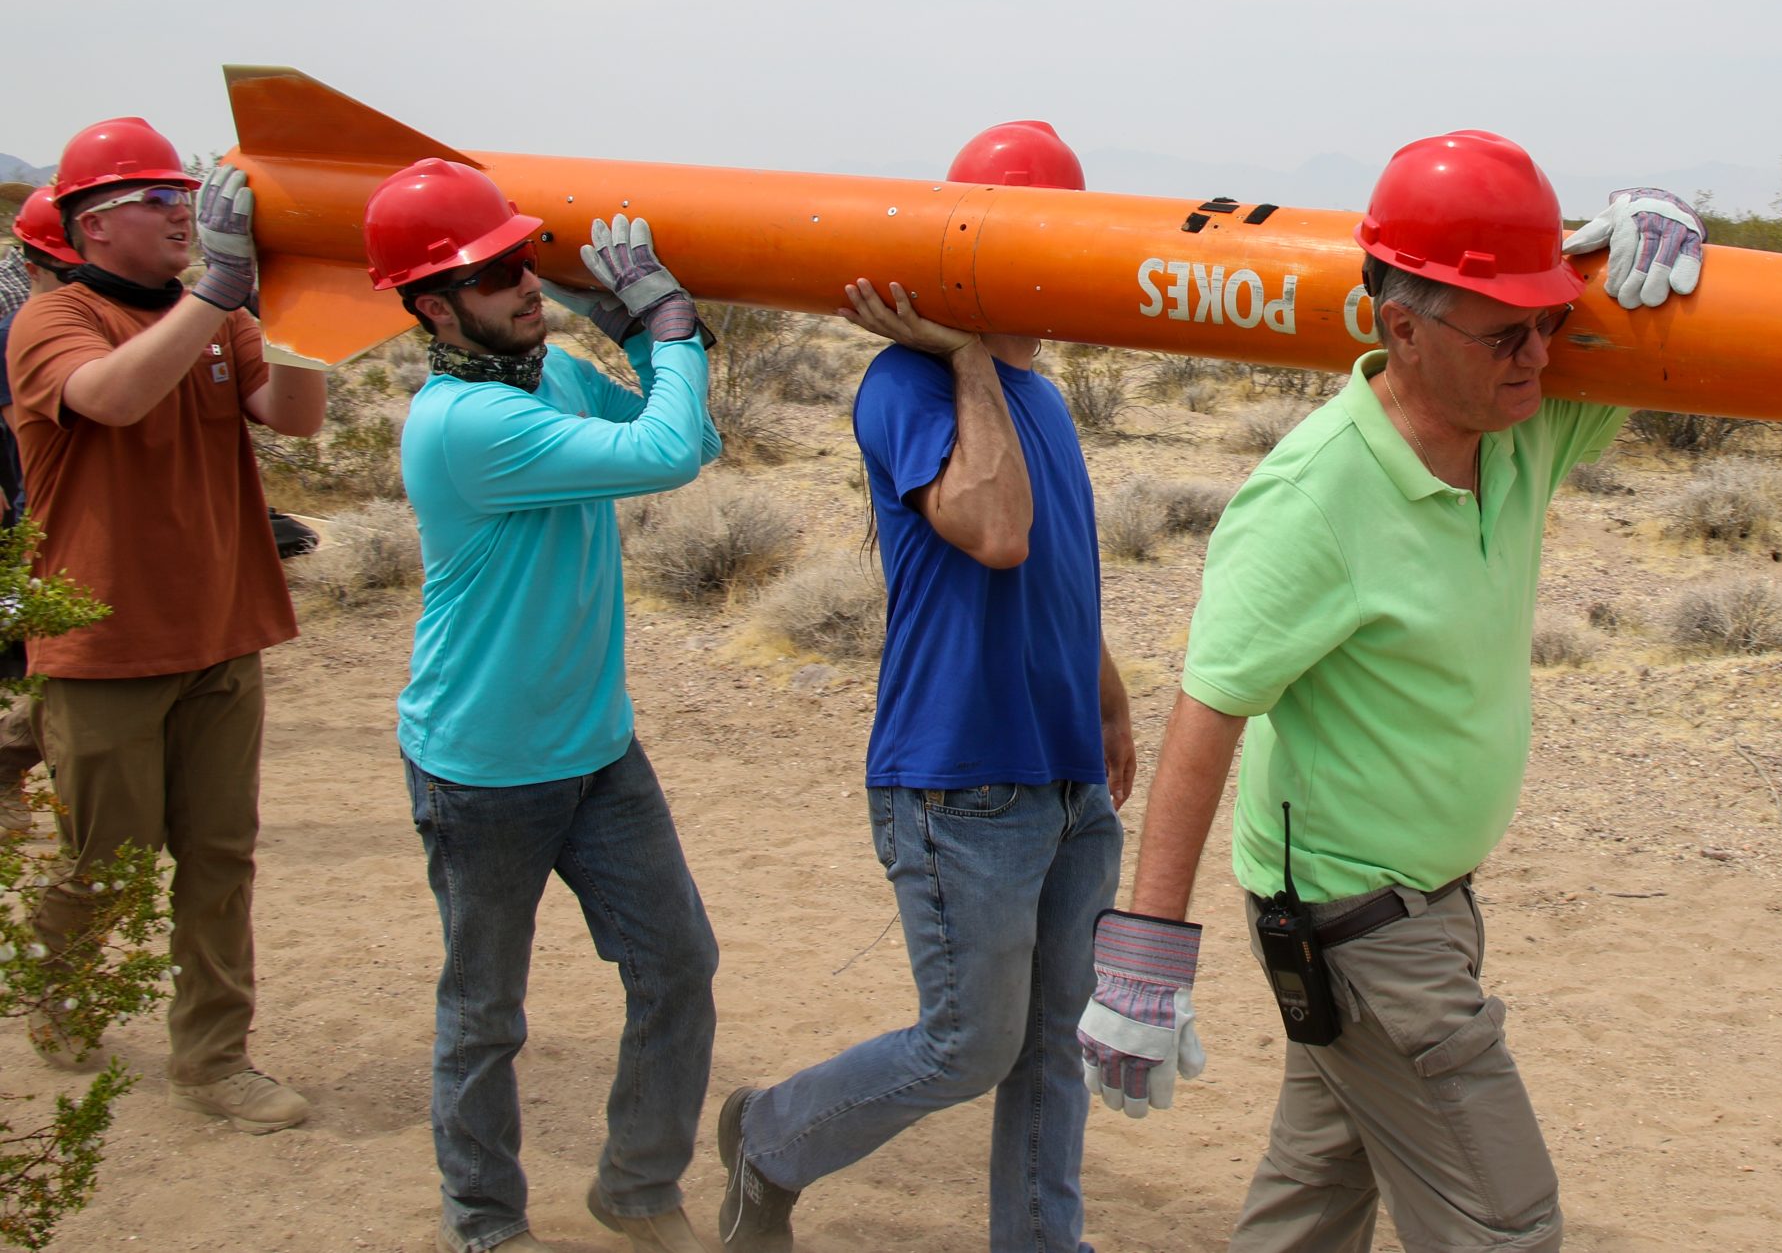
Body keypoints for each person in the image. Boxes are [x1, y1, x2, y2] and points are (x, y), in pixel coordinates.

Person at [1077, 133, 1701, 1252]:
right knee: (1503, 1226)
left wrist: (1669, 223)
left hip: (1421, 908)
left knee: (1310, 1206)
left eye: (1551, 322)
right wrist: (1144, 956)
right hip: (1359, 928)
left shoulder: (1517, 425)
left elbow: (1663, 332)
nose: (1538, 354)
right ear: (1400, 327)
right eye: (1507, 329)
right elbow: (1208, 711)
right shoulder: (1313, 499)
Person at [717, 121, 1136, 1253]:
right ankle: (768, 1138)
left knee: (1054, 1039)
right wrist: (961, 355)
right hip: (960, 782)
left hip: (1061, 779)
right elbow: (996, 530)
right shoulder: (904, 382)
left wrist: (1106, 697)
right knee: (968, 1044)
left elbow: (1058, 570)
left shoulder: (1040, 399)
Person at [367, 158, 726, 1253]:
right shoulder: (457, 423)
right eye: (493, 273)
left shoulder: (548, 379)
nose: (526, 284)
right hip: (482, 766)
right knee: (486, 1015)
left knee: (677, 966)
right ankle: (483, 1224)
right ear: (434, 307)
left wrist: (629, 332)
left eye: (525, 259)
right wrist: (665, 321)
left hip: (595, 751)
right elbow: (665, 452)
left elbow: (695, 441)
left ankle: (637, 1185)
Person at [6, 119, 327, 1128]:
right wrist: (217, 295)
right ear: (94, 227)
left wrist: (308, 310)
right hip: (106, 644)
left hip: (224, 628)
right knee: (112, 856)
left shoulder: (218, 314)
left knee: (221, 854)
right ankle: (58, 992)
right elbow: (112, 400)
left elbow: (297, 416)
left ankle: (214, 1056)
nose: (182, 213)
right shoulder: (58, 320)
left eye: (185, 196)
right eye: (156, 200)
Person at [0, 187, 82, 838]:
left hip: (72, 519)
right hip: (48, 521)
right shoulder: (22, 332)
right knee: (64, 661)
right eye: (67, 269)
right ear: (34, 265)